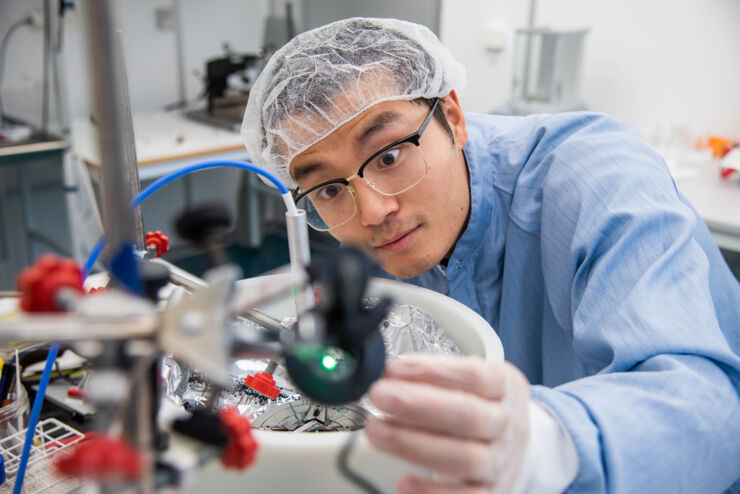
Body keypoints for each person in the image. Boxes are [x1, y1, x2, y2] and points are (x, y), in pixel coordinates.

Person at [241, 17, 740, 494]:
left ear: (453, 117)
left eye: (389, 156)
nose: (372, 211)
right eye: (328, 188)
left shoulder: (598, 180)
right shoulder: (386, 235)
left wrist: (546, 445)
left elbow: (708, 409)